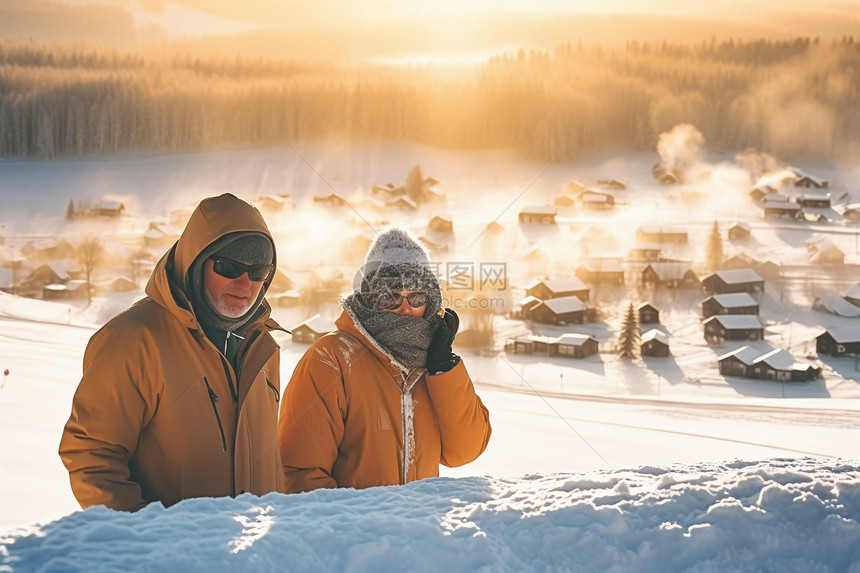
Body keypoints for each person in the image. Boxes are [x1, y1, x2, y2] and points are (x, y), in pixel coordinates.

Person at [59, 193, 285, 511]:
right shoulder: (134, 341)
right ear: (195, 262)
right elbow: (92, 456)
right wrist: (145, 540)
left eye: (259, 272)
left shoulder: (262, 349)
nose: (245, 283)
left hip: (252, 555)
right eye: (229, 267)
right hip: (173, 555)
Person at [278, 226, 491, 492]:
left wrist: (444, 370)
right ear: (369, 298)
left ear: (430, 301)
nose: (404, 307)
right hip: (359, 530)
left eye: (416, 297)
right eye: (390, 296)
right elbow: (300, 473)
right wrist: (359, 530)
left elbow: (464, 451)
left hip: (419, 528)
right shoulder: (331, 357)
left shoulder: (432, 364)